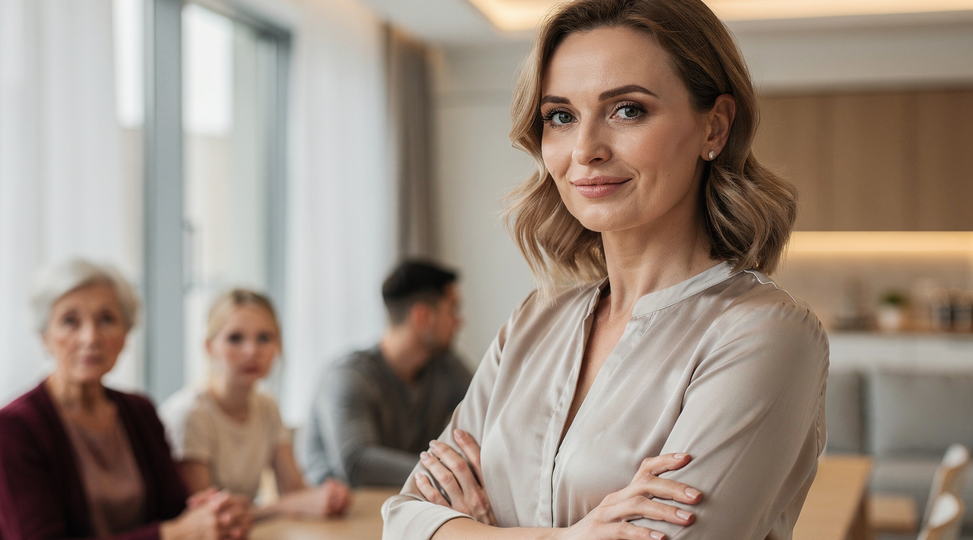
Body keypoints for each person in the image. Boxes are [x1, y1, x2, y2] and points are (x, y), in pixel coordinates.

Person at [382, 1, 829, 539]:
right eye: (561, 117)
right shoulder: (534, 320)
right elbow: (405, 518)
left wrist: (473, 529)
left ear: (715, 126)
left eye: (627, 110)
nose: (585, 150)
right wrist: (573, 537)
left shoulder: (765, 333)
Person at [0, 259, 252, 540]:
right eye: (70, 321)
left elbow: (175, 512)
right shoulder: (12, 428)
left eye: (107, 319)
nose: (90, 337)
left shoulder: (139, 411)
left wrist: (217, 515)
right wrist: (170, 533)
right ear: (44, 337)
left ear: (126, 334)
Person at [160, 289, 351, 521]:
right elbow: (208, 517)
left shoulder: (265, 404)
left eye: (264, 338)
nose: (251, 351)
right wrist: (288, 506)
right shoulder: (190, 414)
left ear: (277, 346)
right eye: (235, 338)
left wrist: (328, 496)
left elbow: (294, 488)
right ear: (209, 347)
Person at [301, 260, 473, 487]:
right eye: (453, 309)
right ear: (423, 317)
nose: (459, 322)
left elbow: (490, 410)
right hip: (342, 515)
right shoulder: (350, 377)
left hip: (406, 504)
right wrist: (445, 472)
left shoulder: (446, 368)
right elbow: (357, 464)